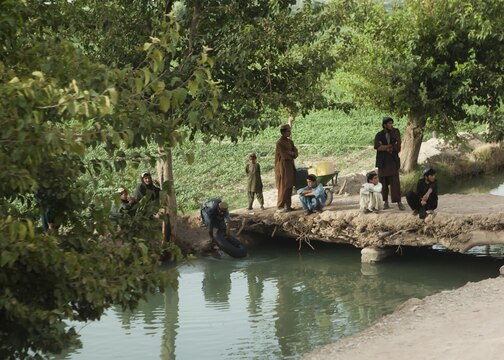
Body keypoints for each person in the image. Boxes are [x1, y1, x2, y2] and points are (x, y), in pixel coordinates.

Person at [374, 117, 406, 210]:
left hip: (392, 160)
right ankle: (385, 202)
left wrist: (385, 147)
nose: (391, 125)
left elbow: (398, 145)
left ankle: (399, 202)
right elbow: (377, 146)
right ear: (385, 125)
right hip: (383, 162)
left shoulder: (395, 132)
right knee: (383, 182)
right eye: (389, 123)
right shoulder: (379, 135)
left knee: (395, 183)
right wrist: (388, 146)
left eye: (392, 123)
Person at [275, 124, 298, 212]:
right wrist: (292, 153)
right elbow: (284, 155)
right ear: (283, 132)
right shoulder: (279, 143)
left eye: (290, 131)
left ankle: (288, 206)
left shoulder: (290, 142)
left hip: (290, 165)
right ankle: (280, 206)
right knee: (283, 186)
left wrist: (292, 153)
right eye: (288, 131)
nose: (289, 132)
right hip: (283, 167)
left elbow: (295, 152)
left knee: (290, 185)